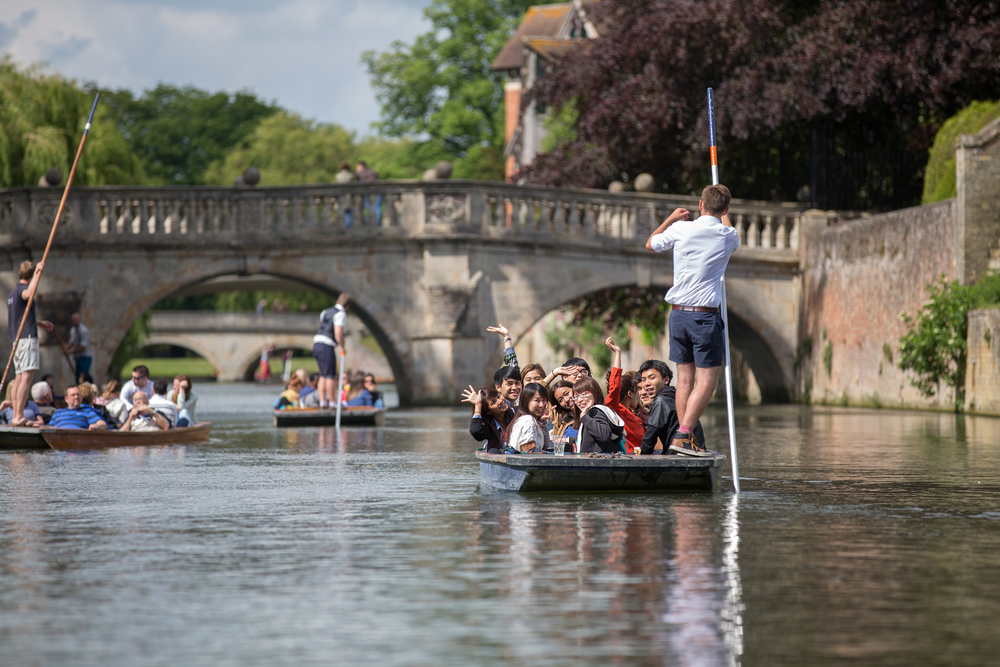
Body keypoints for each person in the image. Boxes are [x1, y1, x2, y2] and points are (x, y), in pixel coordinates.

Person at [646, 184, 739, 457]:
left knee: (685, 381)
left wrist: (672, 219)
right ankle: (684, 435)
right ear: (725, 210)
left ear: (700, 204)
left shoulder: (681, 229)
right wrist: (724, 215)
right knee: (707, 382)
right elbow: (731, 231)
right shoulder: (727, 235)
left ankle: (682, 436)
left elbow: (650, 243)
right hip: (704, 317)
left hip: (678, 315)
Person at [6, 260, 55, 426]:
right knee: (26, 376)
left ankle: (16, 416)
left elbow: (21, 316)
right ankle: (18, 416)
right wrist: (37, 274)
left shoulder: (12, 294)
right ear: (31, 275)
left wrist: (40, 323)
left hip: (17, 340)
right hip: (26, 339)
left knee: (19, 377)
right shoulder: (22, 291)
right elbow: (29, 294)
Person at [638, 359, 706, 456]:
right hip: (697, 452)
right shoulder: (677, 397)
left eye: (651, 378)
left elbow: (649, 439)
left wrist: (641, 458)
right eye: (643, 380)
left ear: (666, 380)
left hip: (679, 456)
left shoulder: (661, 401)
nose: (646, 383)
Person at [604, 337, 646, 455]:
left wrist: (646, 421)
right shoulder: (614, 411)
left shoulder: (635, 415)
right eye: (638, 390)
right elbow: (615, 386)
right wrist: (617, 353)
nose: (640, 395)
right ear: (630, 393)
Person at [573, 377, 626, 454]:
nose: (579, 400)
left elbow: (604, 435)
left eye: (583, 394)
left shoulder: (596, 411)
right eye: (576, 396)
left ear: (595, 393)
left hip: (597, 462)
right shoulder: (594, 412)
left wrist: (584, 417)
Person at [313, 293, 349, 408]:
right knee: (330, 375)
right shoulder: (341, 314)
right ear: (347, 306)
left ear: (338, 301)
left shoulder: (325, 311)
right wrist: (342, 347)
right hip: (326, 345)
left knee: (323, 374)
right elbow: (338, 333)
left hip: (317, 344)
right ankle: (333, 403)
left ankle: (323, 402)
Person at [462, 386, 514, 453]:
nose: (500, 401)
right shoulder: (490, 426)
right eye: (493, 402)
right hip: (499, 454)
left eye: (498, 396)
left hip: (517, 452)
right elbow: (476, 431)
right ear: (488, 411)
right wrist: (478, 405)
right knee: (493, 451)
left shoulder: (516, 414)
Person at [506, 383, 552, 454]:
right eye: (537, 400)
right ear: (526, 401)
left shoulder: (531, 419)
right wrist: (551, 455)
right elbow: (529, 452)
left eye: (544, 400)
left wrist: (543, 421)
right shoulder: (528, 420)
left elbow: (545, 445)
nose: (542, 405)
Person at [548, 379, 578, 451]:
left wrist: (570, 440)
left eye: (567, 393)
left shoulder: (591, 413)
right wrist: (554, 373)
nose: (566, 399)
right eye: (561, 400)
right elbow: (534, 392)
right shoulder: (560, 421)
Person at [64, 312, 93, 383]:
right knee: (78, 377)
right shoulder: (73, 330)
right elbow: (72, 342)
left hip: (85, 357)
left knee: (83, 377)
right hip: (78, 357)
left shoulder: (83, 330)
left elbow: (83, 346)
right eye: (73, 319)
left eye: (76, 319)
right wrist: (65, 349)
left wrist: (70, 352)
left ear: (80, 319)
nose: (74, 321)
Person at [355, 160, 381, 225]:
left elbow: (358, 182)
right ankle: (377, 223)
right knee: (377, 207)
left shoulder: (359, 172)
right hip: (377, 191)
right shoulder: (372, 171)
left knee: (368, 207)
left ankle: (369, 223)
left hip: (366, 192)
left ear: (360, 166)